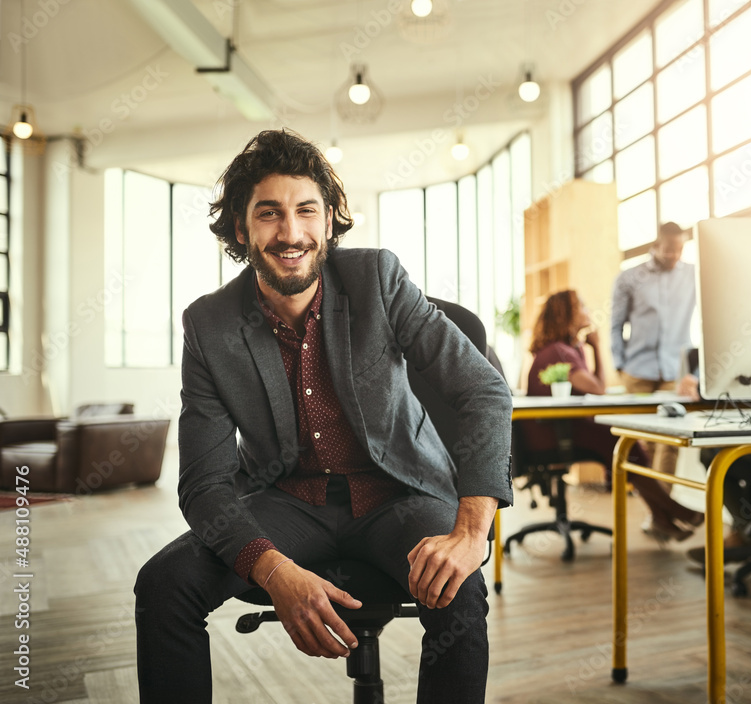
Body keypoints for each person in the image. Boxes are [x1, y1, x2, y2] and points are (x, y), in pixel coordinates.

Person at [133, 129, 513, 704]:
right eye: (269, 214)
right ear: (241, 229)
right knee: (164, 584)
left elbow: (483, 389)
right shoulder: (208, 326)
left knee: (459, 588)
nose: (291, 233)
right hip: (286, 503)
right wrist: (274, 571)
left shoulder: (378, 280)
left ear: (330, 222)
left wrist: (470, 532)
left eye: (307, 211)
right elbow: (205, 483)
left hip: (400, 495)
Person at [522, 290, 702, 540]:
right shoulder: (560, 351)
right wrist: (596, 347)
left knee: (622, 442)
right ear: (566, 314)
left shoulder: (565, 349)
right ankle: (674, 510)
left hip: (557, 430)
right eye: (581, 306)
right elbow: (598, 389)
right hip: (553, 435)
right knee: (621, 442)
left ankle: (663, 517)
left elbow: (595, 389)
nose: (587, 311)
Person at [610, 221, 701, 528]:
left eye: (679, 249)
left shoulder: (692, 275)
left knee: (669, 438)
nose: (674, 255)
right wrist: (620, 363)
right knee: (640, 442)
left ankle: (660, 512)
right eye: (668, 249)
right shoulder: (631, 278)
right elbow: (615, 324)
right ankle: (662, 510)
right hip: (638, 369)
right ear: (657, 245)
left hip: (675, 370)